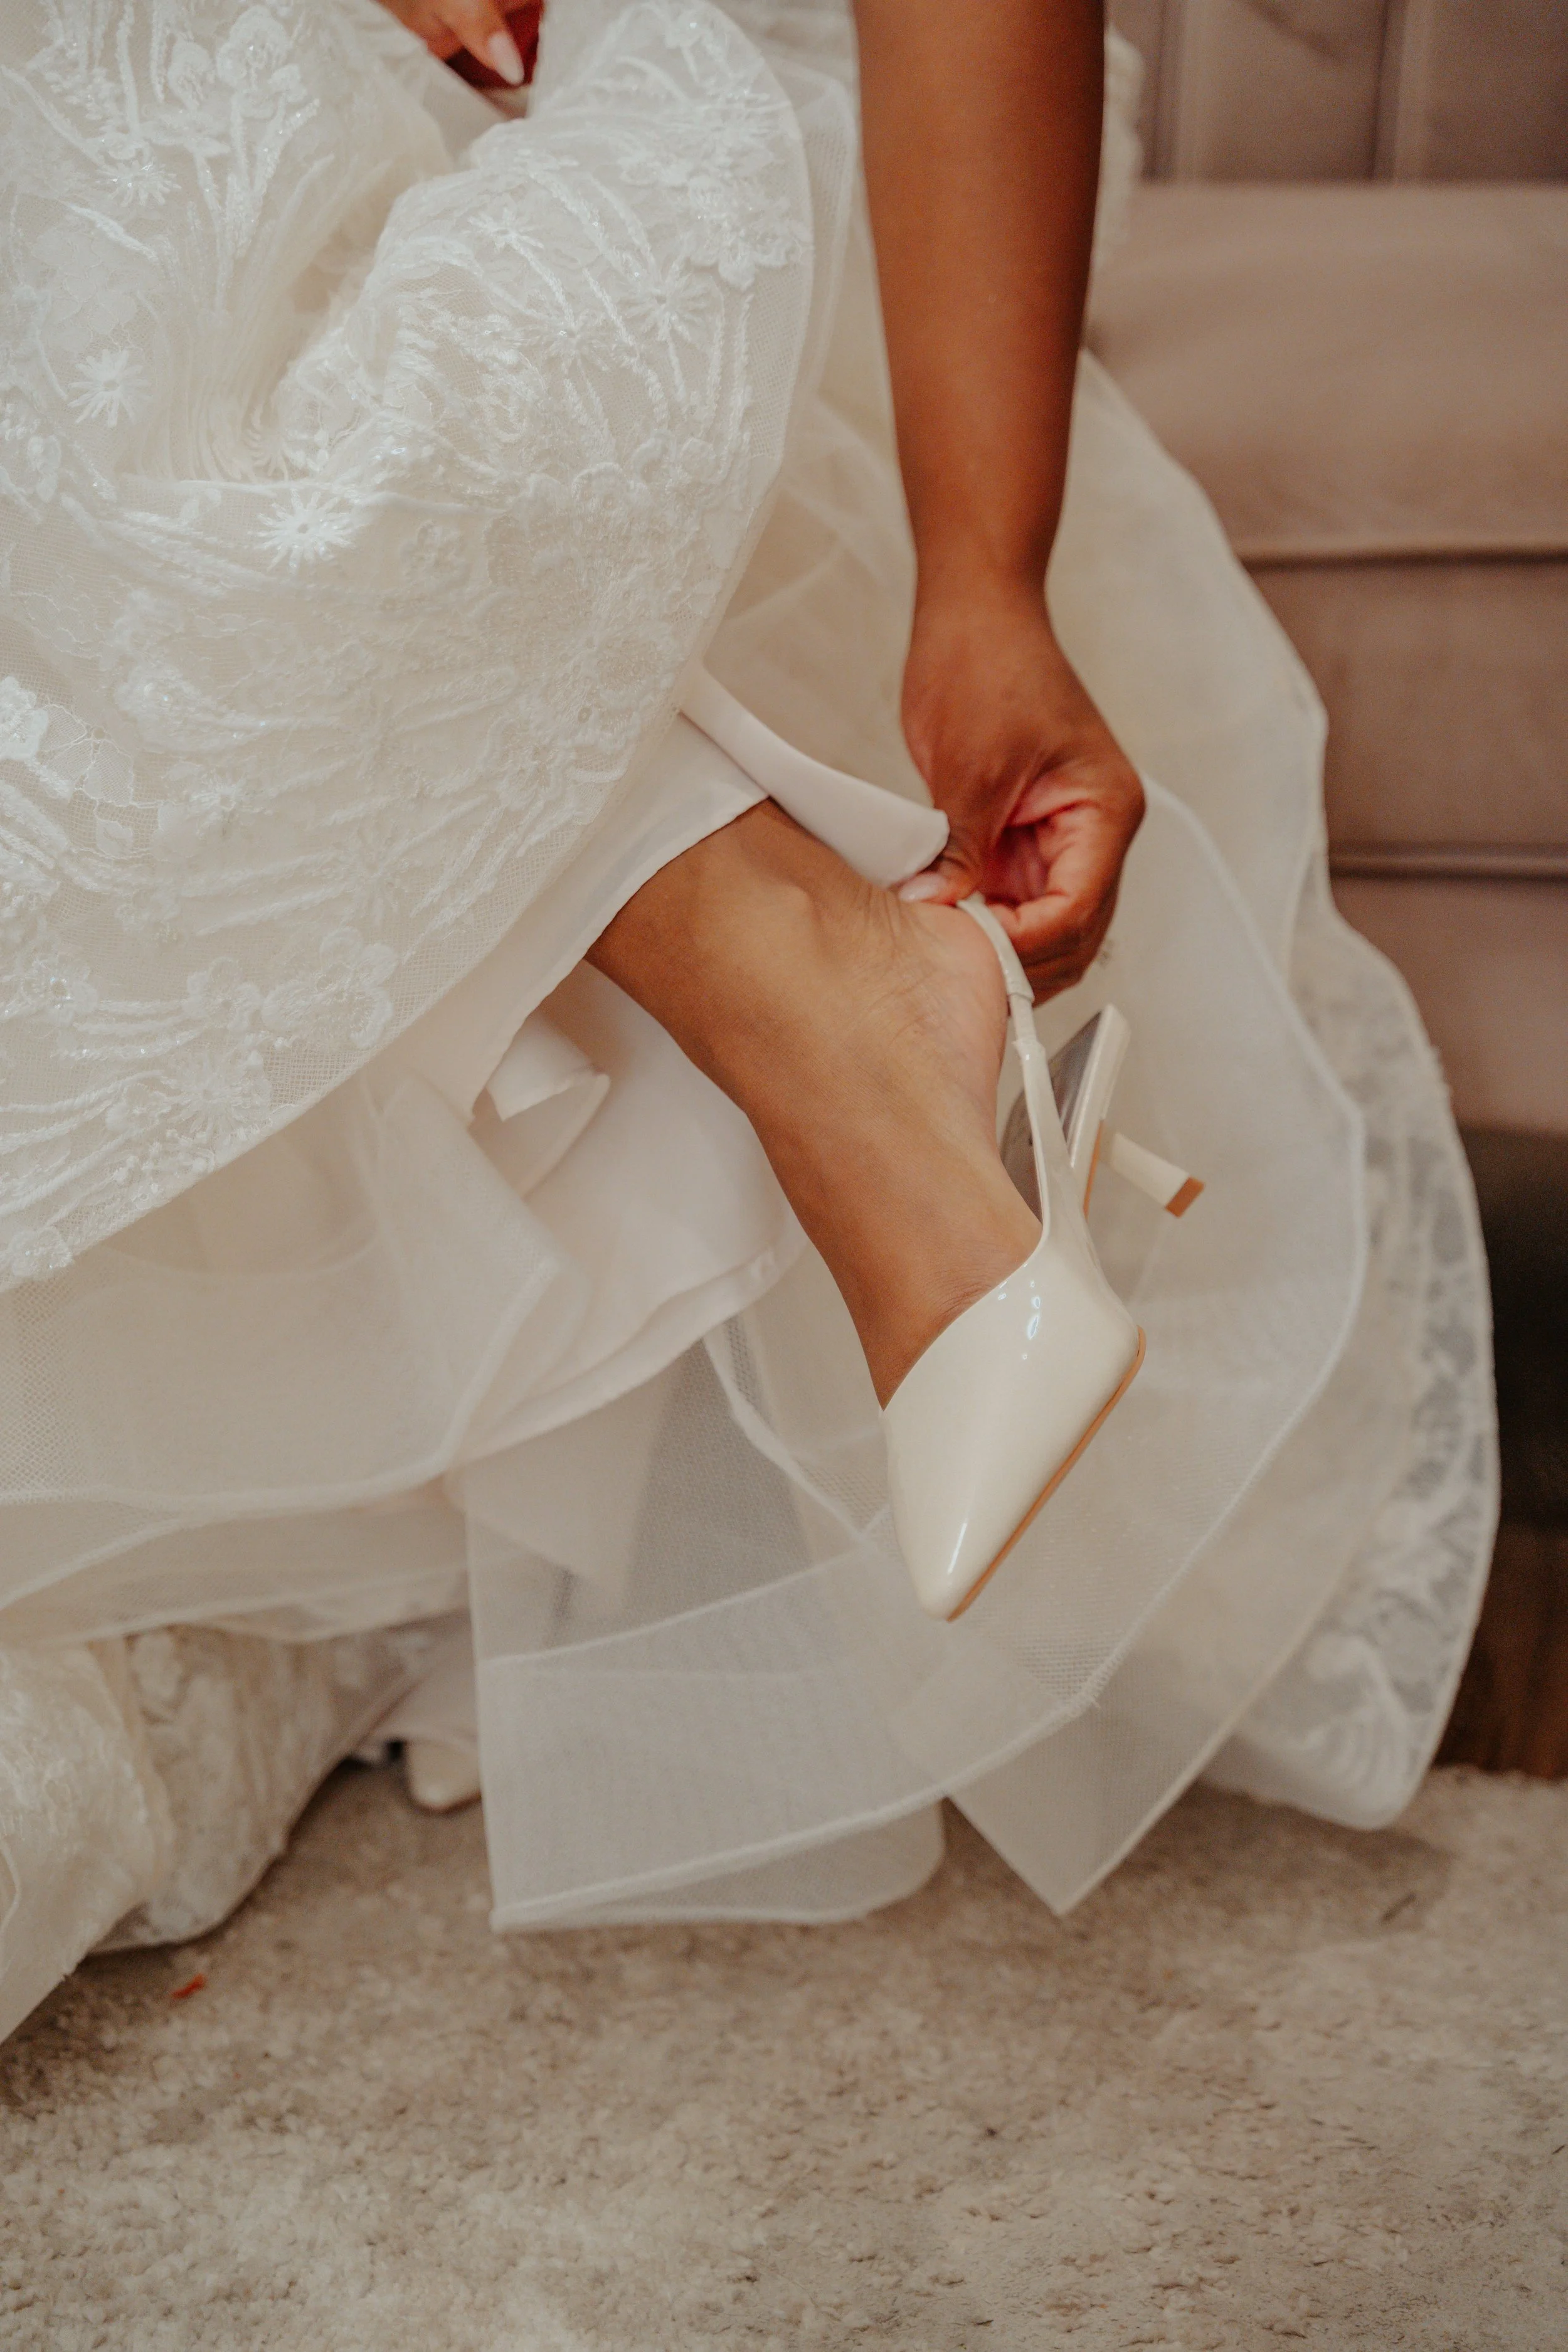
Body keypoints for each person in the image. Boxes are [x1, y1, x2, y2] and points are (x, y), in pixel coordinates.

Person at [0, 0, 1493, 2040]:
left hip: (732, 112)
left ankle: (817, 1005)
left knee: (192, 204)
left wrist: (985, 576)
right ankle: (830, 972)